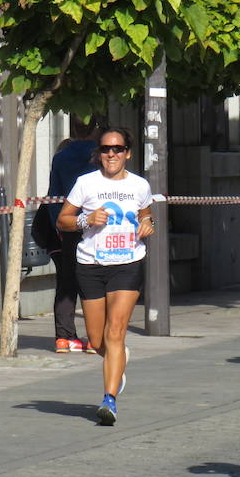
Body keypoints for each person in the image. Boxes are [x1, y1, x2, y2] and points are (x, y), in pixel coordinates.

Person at [57, 127, 154, 426]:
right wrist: (87, 219)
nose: (111, 154)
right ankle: (117, 358)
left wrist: (147, 224)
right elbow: (63, 220)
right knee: (98, 339)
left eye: (117, 149)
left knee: (116, 332)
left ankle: (109, 400)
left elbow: (145, 214)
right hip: (91, 265)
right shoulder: (85, 183)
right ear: (98, 153)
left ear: (128, 152)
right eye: (105, 149)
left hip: (128, 263)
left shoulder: (140, 185)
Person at [48, 115, 100, 353]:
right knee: (95, 281)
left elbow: (53, 195)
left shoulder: (61, 157)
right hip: (98, 227)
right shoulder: (101, 156)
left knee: (66, 280)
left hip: (68, 226)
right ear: (95, 129)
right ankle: (94, 338)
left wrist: (59, 225)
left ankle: (63, 337)